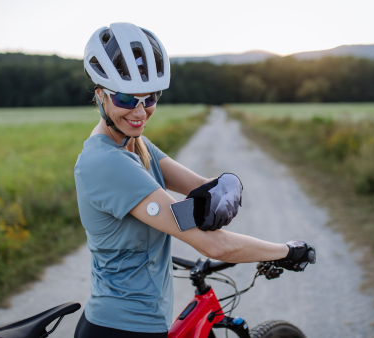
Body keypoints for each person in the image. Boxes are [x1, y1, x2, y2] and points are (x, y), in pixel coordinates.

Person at [74, 22, 315, 338]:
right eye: (126, 98)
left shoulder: (137, 145)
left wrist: (219, 192)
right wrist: (286, 250)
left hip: (141, 323)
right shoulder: (106, 163)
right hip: (121, 329)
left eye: (150, 98)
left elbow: (202, 186)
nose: (140, 111)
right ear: (101, 95)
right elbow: (213, 243)